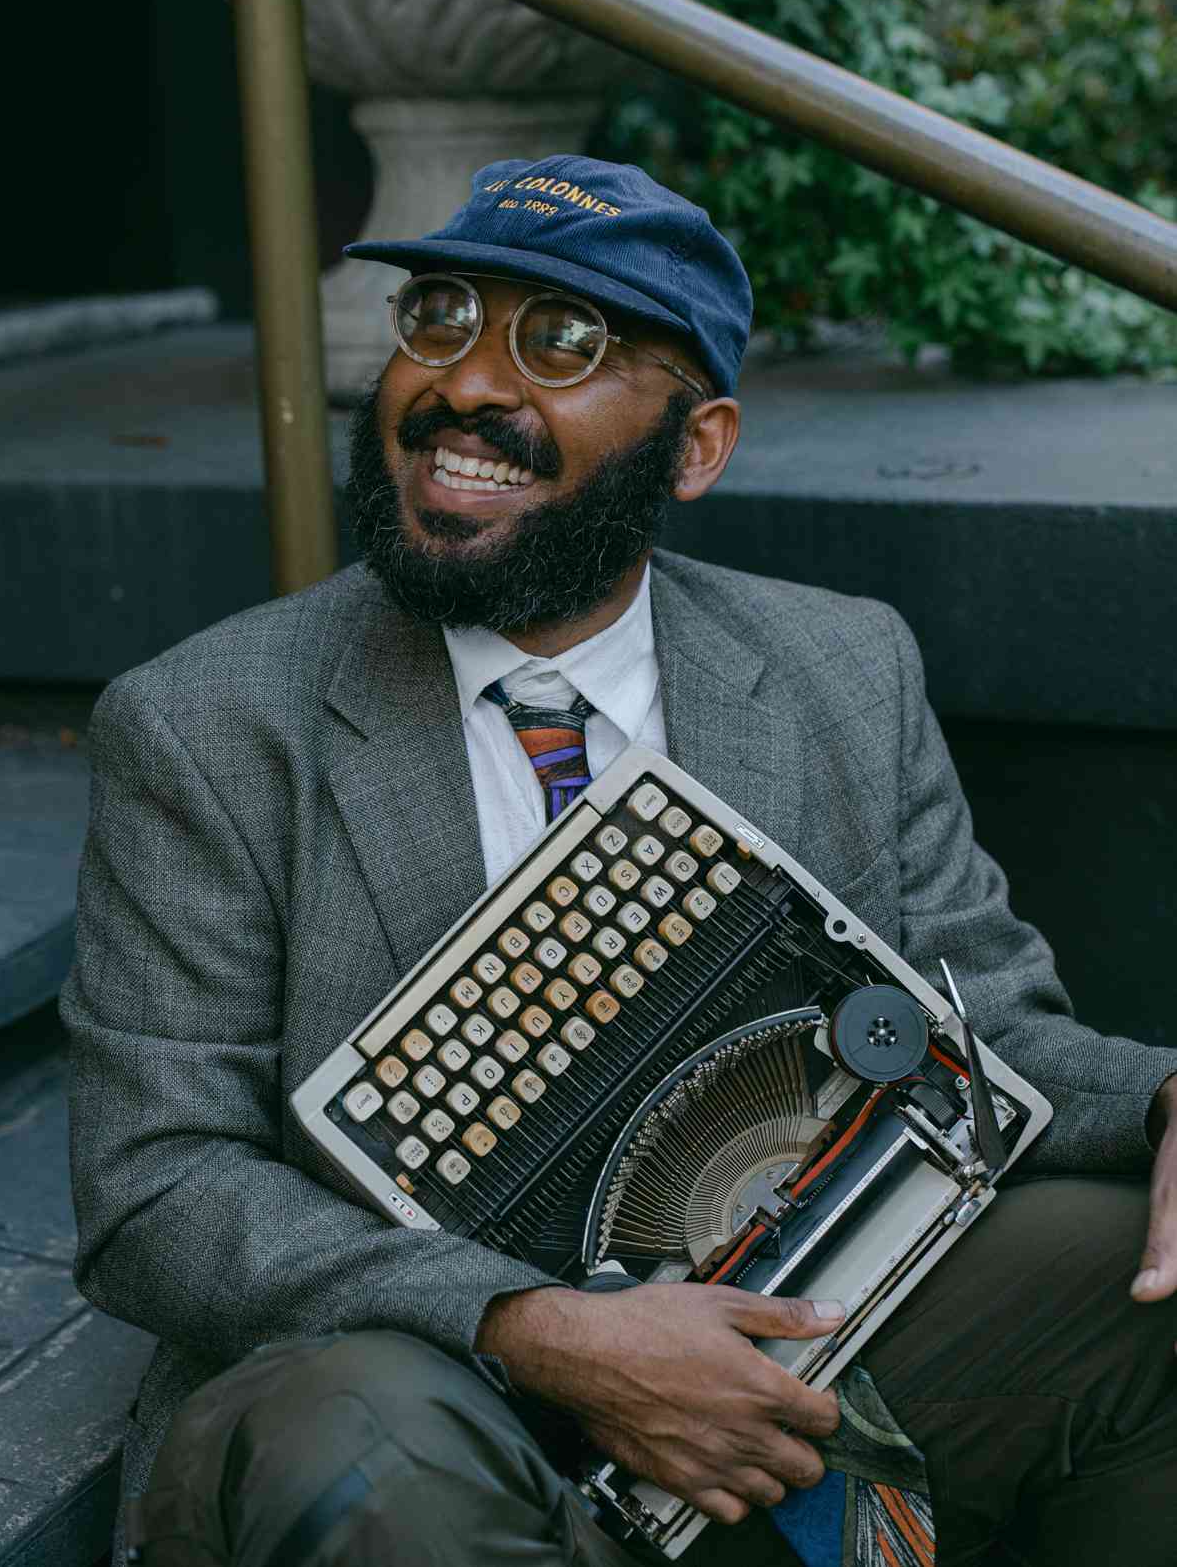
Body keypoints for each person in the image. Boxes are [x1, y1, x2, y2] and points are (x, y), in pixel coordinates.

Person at [62, 157, 1177, 1567]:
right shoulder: (206, 724)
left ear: (696, 444)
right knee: (353, 1443)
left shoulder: (842, 667)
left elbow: (990, 1028)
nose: (466, 382)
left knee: (1151, 1268)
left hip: (803, 1333)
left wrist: (1163, 1097)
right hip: (428, 1382)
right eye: (442, 317)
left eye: (564, 342)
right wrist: (543, 1330)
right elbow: (158, 1189)